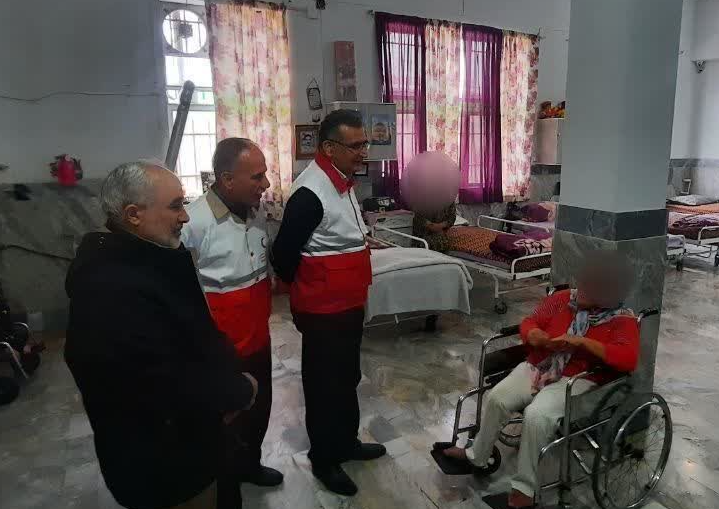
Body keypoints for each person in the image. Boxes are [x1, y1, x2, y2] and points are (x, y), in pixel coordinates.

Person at [65, 161, 257, 509]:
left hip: (195, 442)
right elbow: (161, 382)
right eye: (175, 206)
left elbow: (193, 338)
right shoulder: (110, 287)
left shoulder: (151, 256)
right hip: (168, 465)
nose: (185, 216)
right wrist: (235, 393)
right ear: (133, 214)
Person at [440, 252, 640, 508]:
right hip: (540, 365)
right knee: (497, 398)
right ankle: (476, 456)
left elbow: (627, 359)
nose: (583, 288)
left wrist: (582, 342)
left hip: (577, 378)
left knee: (537, 415)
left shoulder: (621, 319)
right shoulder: (562, 300)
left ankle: (524, 489)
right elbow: (531, 321)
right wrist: (533, 334)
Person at [271, 110, 386, 496]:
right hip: (323, 310)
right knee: (324, 386)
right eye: (355, 145)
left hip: (347, 304)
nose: (363, 151)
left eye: (364, 143)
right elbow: (283, 255)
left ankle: (346, 442)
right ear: (329, 148)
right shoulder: (310, 192)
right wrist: (309, 290)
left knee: (347, 378)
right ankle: (324, 459)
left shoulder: (342, 180)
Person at [181, 138, 283, 489]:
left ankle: (250, 466)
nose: (265, 184)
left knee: (259, 406)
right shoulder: (193, 223)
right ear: (226, 179)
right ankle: (225, 482)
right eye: (256, 177)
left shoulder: (256, 212)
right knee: (226, 416)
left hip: (259, 337)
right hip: (221, 348)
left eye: (265, 174)